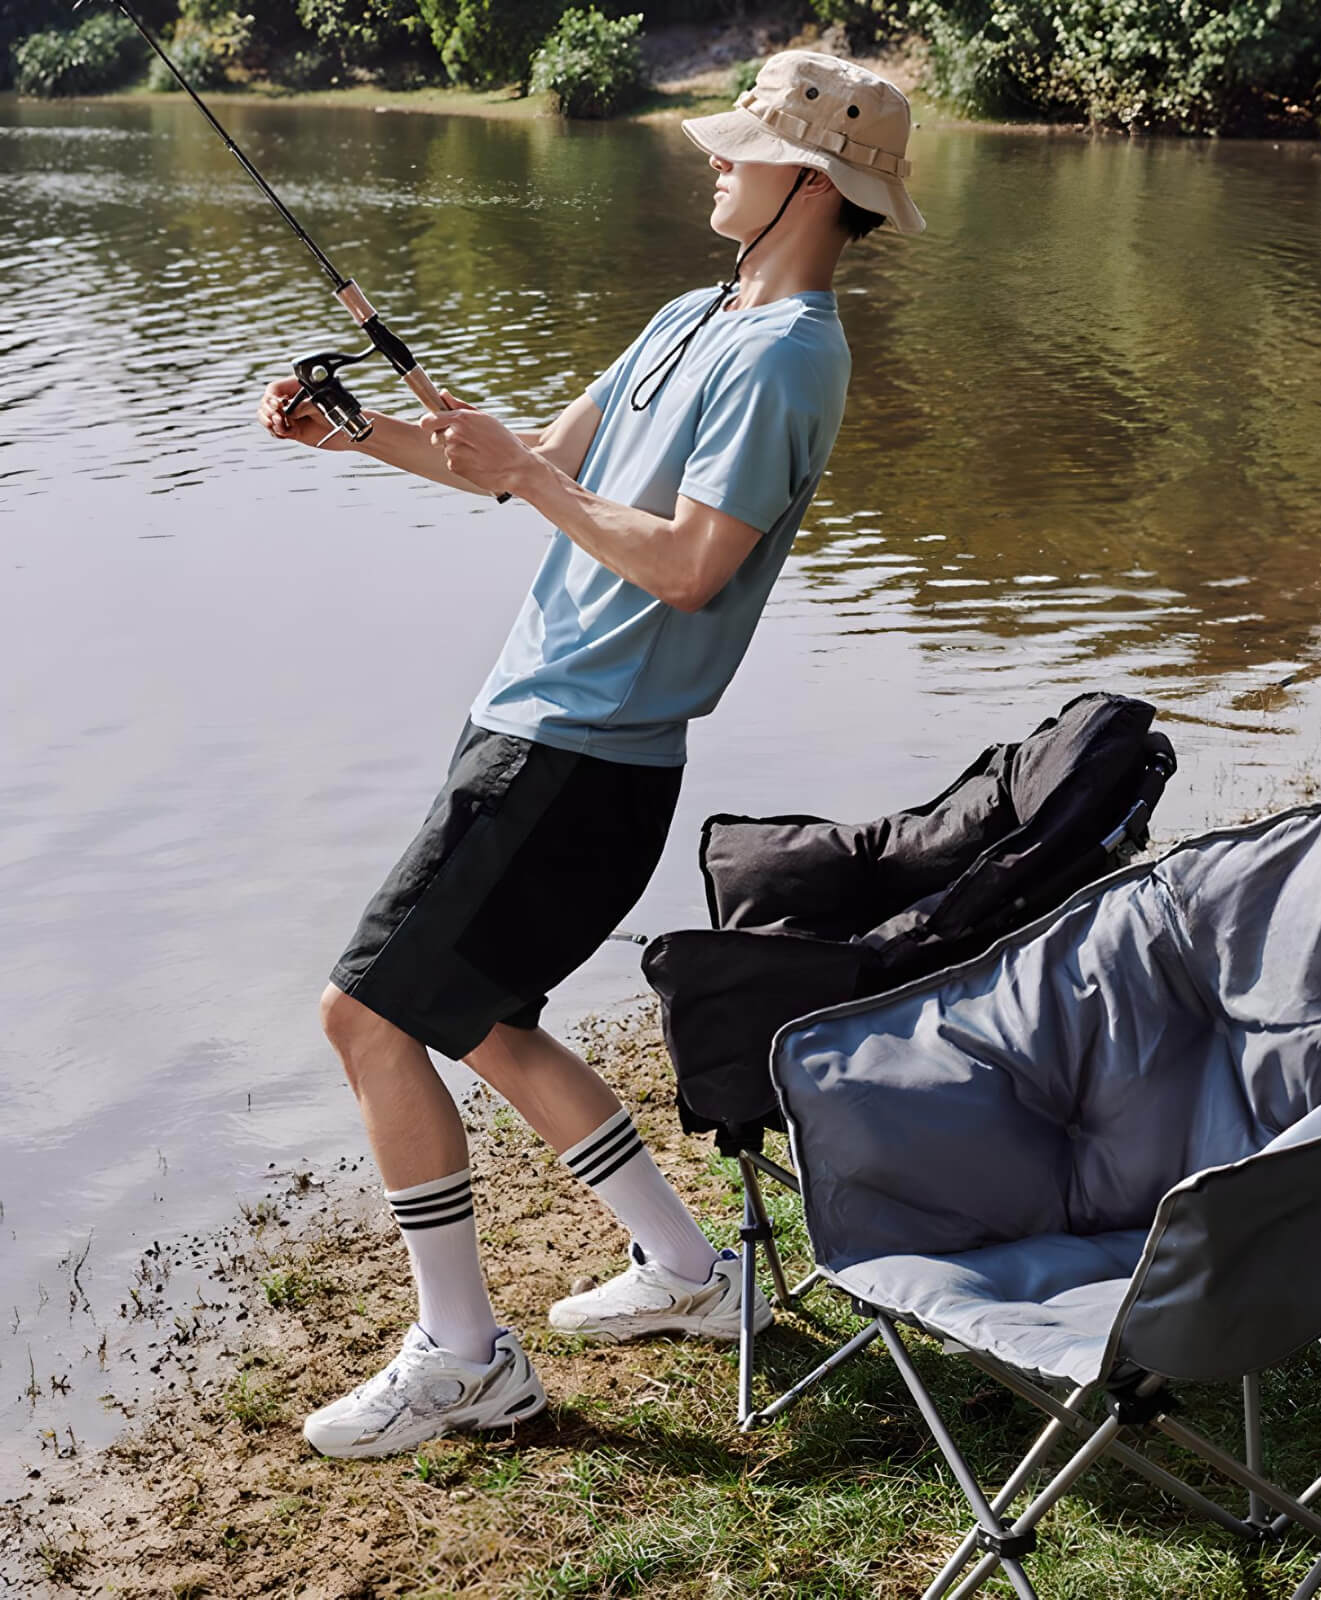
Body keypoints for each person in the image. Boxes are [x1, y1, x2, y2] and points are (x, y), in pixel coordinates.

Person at [252, 50, 925, 1459]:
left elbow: (687, 568)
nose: (713, 161)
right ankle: (691, 1274)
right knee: (478, 1016)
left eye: (740, 148)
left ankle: (464, 1358)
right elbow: (519, 469)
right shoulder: (694, 313)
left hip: (581, 758)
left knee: (366, 1018)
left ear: (809, 183)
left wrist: (536, 478)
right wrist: (356, 433)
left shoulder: (790, 354)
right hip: (530, 727)